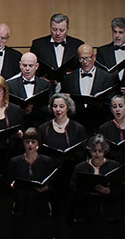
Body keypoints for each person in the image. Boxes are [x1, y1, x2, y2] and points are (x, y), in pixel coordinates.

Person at [37, 93, 87, 238]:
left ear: (68, 108)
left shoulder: (78, 128)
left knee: (67, 212)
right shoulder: (44, 128)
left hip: (69, 176)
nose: (58, 109)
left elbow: (83, 154)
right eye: (55, 106)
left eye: (61, 106)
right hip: (50, 177)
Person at [6, 127, 56, 239]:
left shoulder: (46, 161)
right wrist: (12, 185)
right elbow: (8, 183)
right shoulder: (15, 162)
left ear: (38, 143)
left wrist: (46, 188)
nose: (30, 145)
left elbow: (52, 184)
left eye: (33, 142)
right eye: (27, 142)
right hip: (21, 206)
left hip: (40, 206)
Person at [70, 134, 123, 238]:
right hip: (86, 215)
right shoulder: (80, 168)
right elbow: (72, 189)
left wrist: (109, 191)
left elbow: (122, 189)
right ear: (90, 151)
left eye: (100, 151)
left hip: (109, 215)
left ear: (105, 151)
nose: (97, 154)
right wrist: (88, 192)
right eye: (94, 151)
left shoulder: (114, 166)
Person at [62, 44, 118, 129]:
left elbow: (110, 104)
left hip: (99, 125)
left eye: (88, 58)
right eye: (81, 58)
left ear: (94, 57)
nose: (85, 62)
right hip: (75, 126)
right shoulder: (69, 79)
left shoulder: (107, 78)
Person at [7, 52, 53, 127]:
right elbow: (7, 108)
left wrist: (34, 109)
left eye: (30, 66)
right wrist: (20, 110)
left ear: (37, 66)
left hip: (39, 125)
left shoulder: (46, 85)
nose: (27, 69)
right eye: (24, 65)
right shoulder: (10, 85)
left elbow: (49, 108)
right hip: (18, 126)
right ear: (20, 65)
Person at [96, 17, 125, 91]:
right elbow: (99, 77)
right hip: (109, 97)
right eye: (115, 32)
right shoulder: (102, 51)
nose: (117, 36)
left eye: (120, 32)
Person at [98, 95, 125, 163]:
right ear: (111, 110)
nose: (117, 109)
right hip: (110, 163)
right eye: (114, 107)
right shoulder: (104, 128)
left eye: (120, 106)